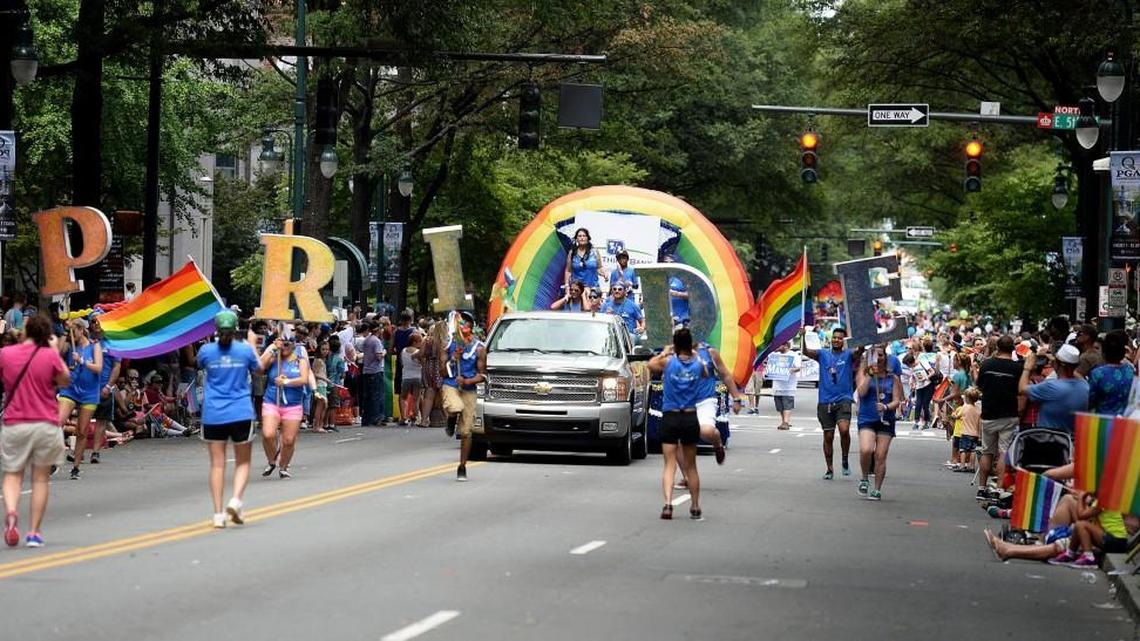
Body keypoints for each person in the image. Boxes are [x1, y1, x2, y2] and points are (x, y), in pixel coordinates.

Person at [1, 315, 70, 547]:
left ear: (26, 331)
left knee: (13, 474)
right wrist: (54, 351)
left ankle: (11, 512)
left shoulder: (6, 354)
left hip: (15, 422)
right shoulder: (49, 355)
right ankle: (33, 532)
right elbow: (64, 381)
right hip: (45, 422)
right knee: (40, 479)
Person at [196, 311, 262, 528]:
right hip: (240, 411)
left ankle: (217, 514)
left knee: (217, 464)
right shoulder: (244, 350)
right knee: (243, 461)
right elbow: (259, 369)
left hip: (214, 413)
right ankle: (235, 501)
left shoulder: (206, 351)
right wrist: (252, 344)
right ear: (236, 330)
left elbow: (199, 364)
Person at [648, 328, 708, 520]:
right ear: (690, 344)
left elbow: (650, 364)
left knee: (669, 464)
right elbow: (706, 372)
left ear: (675, 344)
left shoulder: (668, 362)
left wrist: (665, 352)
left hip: (670, 416)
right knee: (691, 466)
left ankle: (667, 504)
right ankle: (695, 505)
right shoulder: (697, 365)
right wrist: (696, 355)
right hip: (690, 417)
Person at [803, 327, 863, 479]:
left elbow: (859, 352)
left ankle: (844, 459)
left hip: (844, 399)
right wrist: (802, 337)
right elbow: (806, 352)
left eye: (839, 338)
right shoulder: (823, 354)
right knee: (828, 436)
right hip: (825, 401)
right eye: (834, 337)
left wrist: (862, 342)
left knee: (844, 430)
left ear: (844, 341)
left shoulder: (849, 354)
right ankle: (829, 469)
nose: (836, 340)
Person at [439, 312, 486, 481]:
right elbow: (442, 371)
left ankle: (462, 466)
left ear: (471, 328)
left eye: (466, 325)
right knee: (455, 407)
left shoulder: (479, 348)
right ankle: (451, 419)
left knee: (467, 432)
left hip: (468, 388)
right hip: (451, 385)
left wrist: (467, 381)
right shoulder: (448, 344)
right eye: (460, 324)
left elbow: (482, 375)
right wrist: (453, 359)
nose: (463, 328)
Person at [257, 331, 310, 478]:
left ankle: (284, 466)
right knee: (268, 434)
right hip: (272, 401)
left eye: (289, 343)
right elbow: (259, 368)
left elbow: (304, 379)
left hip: (293, 404)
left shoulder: (300, 356)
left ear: (294, 344)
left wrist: (286, 382)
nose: (285, 347)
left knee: (288, 440)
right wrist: (274, 349)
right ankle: (272, 461)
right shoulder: (274, 353)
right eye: (283, 343)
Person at [975, 335, 1022, 499]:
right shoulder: (1017, 368)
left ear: (998, 348)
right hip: (1009, 413)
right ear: (1012, 349)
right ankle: (999, 488)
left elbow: (979, 385)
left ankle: (981, 487)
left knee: (987, 451)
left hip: (989, 412)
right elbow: (1021, 390)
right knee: (1003, 452)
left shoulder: (986, 365)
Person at [854, 345, 902, 500]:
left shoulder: (892, 378)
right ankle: (864, 478)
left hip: (885, 420)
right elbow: (861, 393)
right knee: (866, 450)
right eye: (874, 356)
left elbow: (897, 400)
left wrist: (886, 406)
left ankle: (877, 489)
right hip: (867, 417)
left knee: (881, 455)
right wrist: (869, 374)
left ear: (885, 357)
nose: (878, 358)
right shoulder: (863, 372)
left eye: (880, 355)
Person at [59, 318, 103, 481]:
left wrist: (82, 361)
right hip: (70, 389)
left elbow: (98, 367)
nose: (73, 335)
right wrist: (65, 332)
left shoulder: (94, 345)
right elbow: (57, 351)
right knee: (58, 421)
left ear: (80, 329)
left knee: (81, 430)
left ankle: (76, 466)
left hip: (89, 392)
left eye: (74, 331)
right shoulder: (70, 345)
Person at [1020, 344, 1088, 434]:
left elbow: (1022, 389)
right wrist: (1058, 362)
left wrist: (1027, 368)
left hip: (1049, 439)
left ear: (1057, 364)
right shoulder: (1084, 386)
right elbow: (1073, 372)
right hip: (1071, 440)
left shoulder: (1050, 386)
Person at [88, 316, 121, 466]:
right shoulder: (86, 341)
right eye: (93, 321)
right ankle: (79, 451)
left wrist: (109, 386)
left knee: (101, 422)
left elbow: (116, 366)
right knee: (83, 421)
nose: (96, 324)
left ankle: (95, 451)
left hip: (103, 388)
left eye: (99, 321)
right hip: (87, 387)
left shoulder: (112, 343)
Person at [1088, 329, 1134, 415]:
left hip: (1104, 422)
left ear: (1104, 352)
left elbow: (1090, 401)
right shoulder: (1130, 370)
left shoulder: (1097, 373)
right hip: (1126, 421)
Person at [766, 342, 802, 430]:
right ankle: (784, 421)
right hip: (777, 385)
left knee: (787, 404)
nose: (776, 347)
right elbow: (768, 365)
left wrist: (789, 370)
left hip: (788, 386)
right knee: (780, 405)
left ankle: (786, 422)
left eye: (779, 345)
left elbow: (799, 367)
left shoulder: (793, 355)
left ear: (786, 345)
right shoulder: (774, 355)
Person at [419, 321, 447, 428]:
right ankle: (449, 420)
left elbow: (421, 354)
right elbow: (443, 358)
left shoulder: (427, 340)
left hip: (428, 368)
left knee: (429, 395)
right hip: (439, 369)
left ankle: (424, 420)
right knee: (444, 395)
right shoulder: (444, 342)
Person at [563, 227, 606, 296]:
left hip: (593, 288)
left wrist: (604, 274)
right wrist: (567, 286)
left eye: (584, 236)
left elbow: (599, 267)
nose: (582, 238)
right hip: (577, 290)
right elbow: (568, 271)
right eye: (579, 236)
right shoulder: (572, 253)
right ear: (576, 239)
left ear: (587, 238)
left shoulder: (594, 252)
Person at [360, 322, 385, 426]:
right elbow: (379, 356)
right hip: (375, 370)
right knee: (376, 395)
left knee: (367, 396)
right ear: (378, 330)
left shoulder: (367, 340)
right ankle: (376, 418)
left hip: (366, 370)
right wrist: (384, 352)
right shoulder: (376, 341)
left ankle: (366, 419)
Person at [951, 387, 981, 472]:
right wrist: (980, 435)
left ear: (967, 398)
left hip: (965, 432)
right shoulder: (978, 410)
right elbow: (980, 423)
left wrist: (953, 415)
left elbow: (957, 416)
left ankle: (962, 465)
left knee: (963, 450)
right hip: (975, 434)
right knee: (972, 450)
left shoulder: (965, 407)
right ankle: (971, 466)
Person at [400, 332, 423, 426]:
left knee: (403, 397)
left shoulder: (403, 351)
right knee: (416, 398)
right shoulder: (418, 352)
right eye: (419, 341)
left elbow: (402, 363)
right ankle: (415, 416)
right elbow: (422, 363)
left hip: (406, 377)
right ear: (415, 342)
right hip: (418, 377)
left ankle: (404, 417)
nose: (421, 343)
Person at [311, 342, 330, 433]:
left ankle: (319, 425)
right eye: (323, 349)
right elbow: (314, 373)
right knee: (321, 405)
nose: (325, 351)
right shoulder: (318, 360)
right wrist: (325, 379)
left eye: (327, 349)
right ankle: (317, 426)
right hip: (319, 385)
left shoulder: (322, 360)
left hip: (323, 385)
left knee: (323, 406)